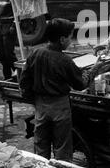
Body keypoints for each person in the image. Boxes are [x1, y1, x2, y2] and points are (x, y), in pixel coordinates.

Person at [19, 19, 97, 160]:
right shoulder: (64, 60)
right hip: (60, 106)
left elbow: (24, 81)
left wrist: (33, 100)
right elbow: (80, 84)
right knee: (62, 147)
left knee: (41, 145)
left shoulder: (35, 53)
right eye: (69, 37)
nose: (71, 41)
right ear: (62, 39)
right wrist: (92, 72)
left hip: (40, 106)